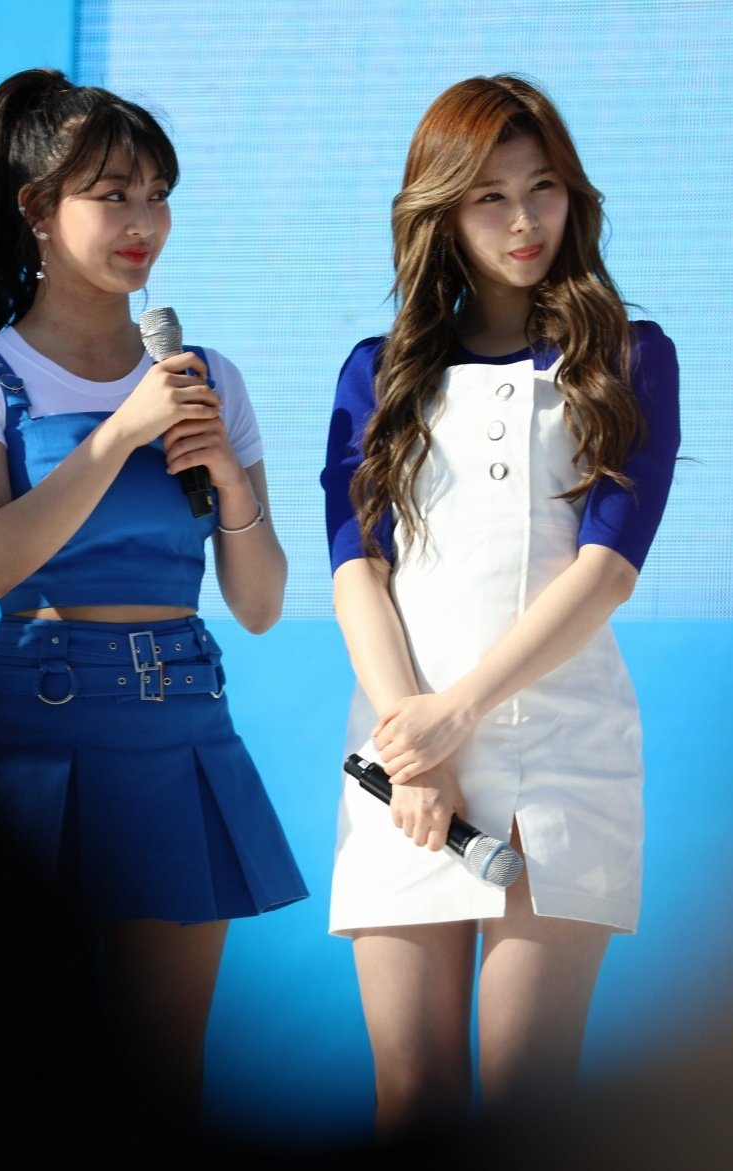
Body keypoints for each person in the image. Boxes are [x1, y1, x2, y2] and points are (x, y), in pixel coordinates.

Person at [0, 66, 308, 1139]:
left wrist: (229, 484)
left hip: (179, 717)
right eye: (112, 196)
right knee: (21, 1076)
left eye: (157, 195)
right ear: (37, 210)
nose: (144, 223)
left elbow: (260, 602)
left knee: (162, 1083)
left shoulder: (207, 375)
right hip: (38, 720)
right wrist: (121, 432)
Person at [320, 73, 680, 1142]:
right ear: (440, 209)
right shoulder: (376, 373)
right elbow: (355, 567)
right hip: (402, 759)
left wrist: (457, 713)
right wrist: (415, 746)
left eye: (542, 188)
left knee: (530, 1107)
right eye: (489, 196)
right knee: (411, 1099)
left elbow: (608, 569)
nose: (524, 220)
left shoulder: (630, 355)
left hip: (562, 752)